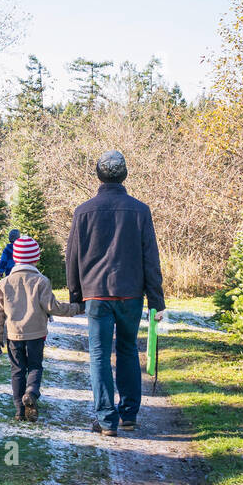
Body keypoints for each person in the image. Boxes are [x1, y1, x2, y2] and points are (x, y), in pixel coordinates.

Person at [64, 150, 165, 437]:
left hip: (96, 294)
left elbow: (72, 257)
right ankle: (129, 414)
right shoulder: (140, 211)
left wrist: (76, 295)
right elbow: (150, 258)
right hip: (130, 293)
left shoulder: (83, 212)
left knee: (98, 355)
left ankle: (107, 420)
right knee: (128, 349)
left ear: (98, 174)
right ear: (125, 175)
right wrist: (156, 300)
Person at [0, 236, 81, 422]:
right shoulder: (41, 281)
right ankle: (31, 392)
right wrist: (77, 308)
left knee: (17, 370)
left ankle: (19, 411)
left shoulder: (4, 283)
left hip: (14, 335)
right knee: (35, 366)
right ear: (36, 259)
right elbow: (52, 307)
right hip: (37, 334)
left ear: (15, 258)